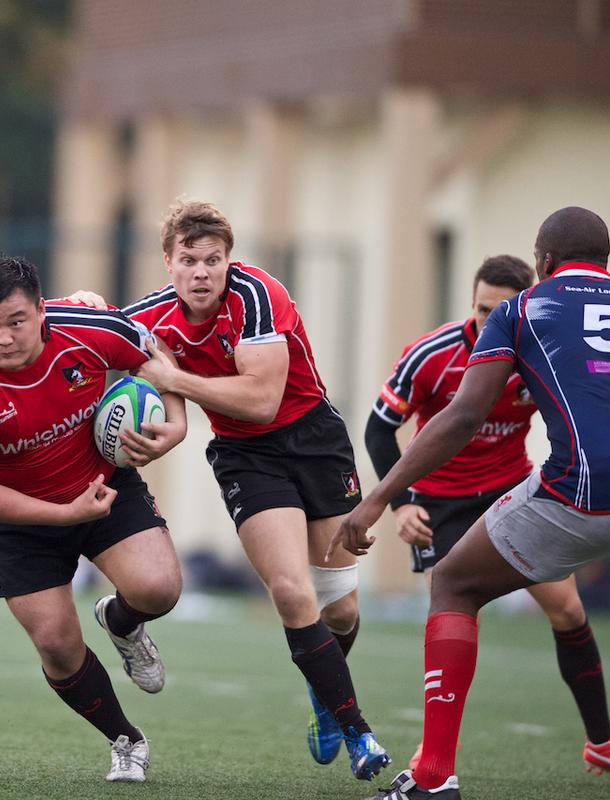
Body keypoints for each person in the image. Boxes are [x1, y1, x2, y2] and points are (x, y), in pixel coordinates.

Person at [332, 206, 610, 800]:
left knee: (455, 585)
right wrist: (405, 503)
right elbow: (386, 426)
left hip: (580, 493)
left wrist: (375, 499)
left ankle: (433, 776)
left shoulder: (524, 311)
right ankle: (599, 742)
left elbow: (463, 416)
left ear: (543, 262)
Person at [68, 199, 391, 781]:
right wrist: (80, 304)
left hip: (314, 439)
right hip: (247, 458)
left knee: (341, 609)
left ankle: (326, 692)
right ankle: (359, 732)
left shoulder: (258, 296)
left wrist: (171, 377)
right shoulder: (150, 318)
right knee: (291, 592)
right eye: (189, 260)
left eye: (212, 260)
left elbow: (262, 399)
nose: (201, 272)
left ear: (228, 261)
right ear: (168, 262)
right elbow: (81, 330)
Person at [0, 257, 186, 782]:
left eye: (17, 321)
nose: (3, 338)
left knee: (159, 590)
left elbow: (155, 351)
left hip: (104, 486)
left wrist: (176, 423)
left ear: (41, 310)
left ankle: (121, 622)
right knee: (55, 644)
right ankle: (125, 739)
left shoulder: (88, 327)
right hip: (18, 519)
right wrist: (64, 514)